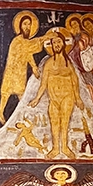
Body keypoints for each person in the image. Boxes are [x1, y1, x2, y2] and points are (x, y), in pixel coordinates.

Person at [30, 30, 84, 159]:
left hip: (67, 96)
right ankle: (55, 149)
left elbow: (74, 80)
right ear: (52, 46)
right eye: (54, 43)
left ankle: (64, 148)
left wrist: (78, 98)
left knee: (64, 122)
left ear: (63, 44)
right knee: (54, 122)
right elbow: (43, 83)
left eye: (59, 42)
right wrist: (37, 98)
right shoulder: (49, 64)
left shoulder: (68, 63)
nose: (57, 45)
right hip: (53, 98)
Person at [0, 14, 45, 123]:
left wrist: (34, 67)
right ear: (20, 26)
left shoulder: (24, 41)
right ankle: (0, 112)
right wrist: (44, 38)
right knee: (6, 92)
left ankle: (22, 114)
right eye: (25, 24)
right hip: (12, 70)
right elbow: (29, 47)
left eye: (29, 24)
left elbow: (28, 53)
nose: (27, 27)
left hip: (21, 70)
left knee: (21, 93)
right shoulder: (17, 40)